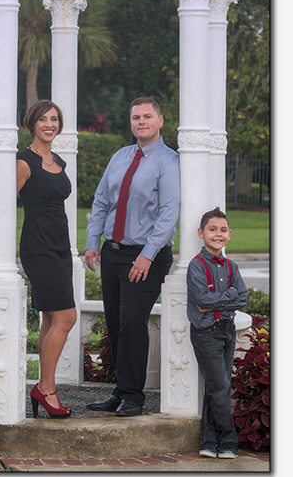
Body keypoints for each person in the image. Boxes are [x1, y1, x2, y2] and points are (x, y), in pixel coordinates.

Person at [0, 100, 76, 418]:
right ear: (31, 123)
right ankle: (45, 389)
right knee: (67, 318)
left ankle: (44, 386)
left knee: (51, 318)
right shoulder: (24, 161)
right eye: (43, 119)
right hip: (39, 247)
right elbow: (3, 201)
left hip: (60, 245)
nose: (50, 124)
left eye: (55, 119)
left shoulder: (57, 159)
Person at [83, 97, 180, 417]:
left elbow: (168, 214)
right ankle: (120, 391)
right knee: (115, 324)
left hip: (146, 257)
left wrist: (147, 256)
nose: (141, 121)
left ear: (160, 121)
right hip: (113, 254)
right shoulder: (120, 156)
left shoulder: (169, 161)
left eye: (147, 116)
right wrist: (92, 241)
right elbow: (101, 201)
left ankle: (134, 397)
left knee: (131, 323)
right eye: (136, 117)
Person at [187, 207, 249, 459]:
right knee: (220, 386)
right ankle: (228, 439)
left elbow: (242, 296)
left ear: (229, 234)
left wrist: (221, 299)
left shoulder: (231, 266)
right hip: (206, 332)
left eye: (223, 230)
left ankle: (209, 441)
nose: (218, 234)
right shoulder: (196, 265)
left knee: (217, 386)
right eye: (212, 229)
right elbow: (201, 298)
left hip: (227, 330)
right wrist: (229, 296)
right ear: (201, 233)